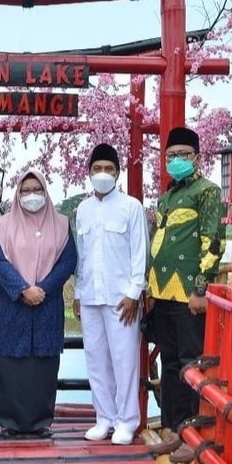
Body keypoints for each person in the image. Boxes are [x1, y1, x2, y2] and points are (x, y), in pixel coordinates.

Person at [144, 126, 226, 464]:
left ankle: (195, 434)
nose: (176, 160)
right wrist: (149, 286)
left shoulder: (207, 192)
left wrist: (201, 288)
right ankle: (174, 430)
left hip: (188, 293)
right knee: (171, 362)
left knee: (192, 365)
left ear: (197, 157)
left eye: (183, 155)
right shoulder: (166, 196)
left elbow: (214, 242)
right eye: (171, 155)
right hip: (162, 293)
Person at [0, 171, 78, 439]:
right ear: (18, 194)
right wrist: (23, 289)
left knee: (43, 365)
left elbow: (67, 261)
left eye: (37, 189)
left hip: (46, 306)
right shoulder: (3, 226)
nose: (31, 195)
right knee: (9, 365)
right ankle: (9, 422)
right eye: (25, 190)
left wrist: (44, 289)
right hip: (11, 304)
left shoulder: (61, 224)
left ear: (45, 191)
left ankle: (41, 422)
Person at [73, 143, 149, 445]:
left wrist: (134, 293)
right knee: (96, 359)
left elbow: (139, 254)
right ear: (89, 173)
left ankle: (126, 421)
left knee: (124, 360)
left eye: (108, 169)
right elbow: (81, 255)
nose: (102, 174)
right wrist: (78, 293)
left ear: (117, 173)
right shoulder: (83, 209)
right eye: (96, 169)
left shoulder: (132, 207)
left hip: (121, 299)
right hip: (91, 296)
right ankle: (103, 418)